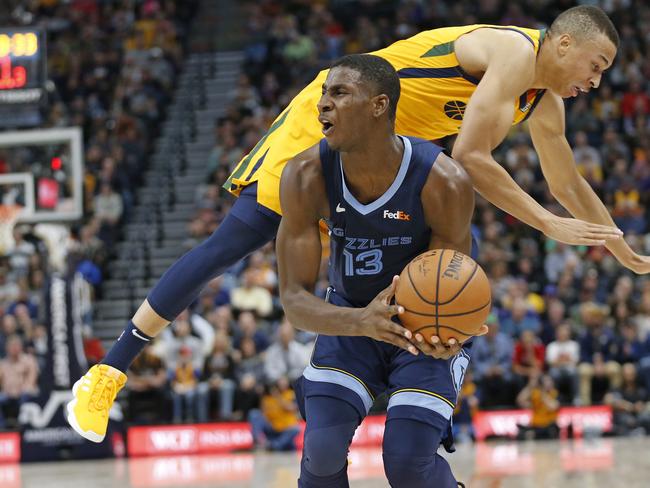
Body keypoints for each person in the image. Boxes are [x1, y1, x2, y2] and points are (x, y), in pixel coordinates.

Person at [67, 6, 646, 443]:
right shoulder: (514, 54)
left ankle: (422, 404)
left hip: (390, 159)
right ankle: (108, 372)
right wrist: (548, 223)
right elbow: (471, 157)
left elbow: (568, 183)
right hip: (341, 116)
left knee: (439, 268)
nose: (595, 81)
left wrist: (619, 247)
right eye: (595, 66)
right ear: (564, 43)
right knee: (235, 241)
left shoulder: (542, 101)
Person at [277, 54, 482, 487]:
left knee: (407, 465)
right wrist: (359, 321)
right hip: (351, 316)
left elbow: (453, 284)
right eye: (322, 95)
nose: (322, 106)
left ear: (379, 105)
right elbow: (294, 301)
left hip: (421, 325)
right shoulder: (303, 175)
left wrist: (450, 335)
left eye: (339, 93)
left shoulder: (443, 179)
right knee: (322, 451)